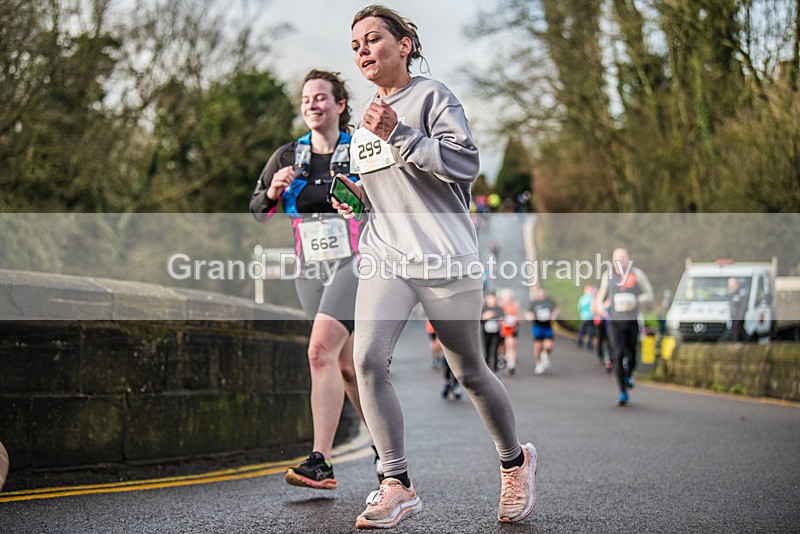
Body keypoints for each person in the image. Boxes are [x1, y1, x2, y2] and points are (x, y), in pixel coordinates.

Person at [335, 5, 537, 528]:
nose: (362, 50)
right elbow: (390, 195)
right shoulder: (364, 122)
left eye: (373, 39)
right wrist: (359, 201)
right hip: (386, 255)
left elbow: (465, 165)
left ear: (403, 45)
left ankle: (515, 462)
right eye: (355, 43)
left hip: (444, 255)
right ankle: (396, 482)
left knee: (468, 370)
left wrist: (400, 133)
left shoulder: (433, 97)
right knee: (367, 361)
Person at [249, 69, 380, 489]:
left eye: (321, 98)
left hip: (355, 263)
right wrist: (272, 192)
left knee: (319, 351)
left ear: (340, 105)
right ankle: (386, 445)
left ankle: (320, 461)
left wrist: (361, 198)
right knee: (345, 365)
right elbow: (256, 210)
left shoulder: (361, 148)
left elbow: (391, 200)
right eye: (306, 99)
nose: (312, 105)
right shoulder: (287, 156)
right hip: (309, 271)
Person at [595, 248, 654, 406]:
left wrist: (636, 301)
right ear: (613, 260)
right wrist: (601, 308)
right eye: (617, 258)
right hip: (615, 322)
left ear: (628, 259)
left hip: (632, 321)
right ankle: (622, 392)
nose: (620, 260)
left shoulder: (637, 274)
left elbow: (649, 294)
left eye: (623, 257)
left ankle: (629, 374)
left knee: (632, 354)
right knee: (618, 354)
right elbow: (601, 296)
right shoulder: (608, 276)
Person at [525, 287, 560, 375]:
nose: (541, 294)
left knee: (549, 345)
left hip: (547, 326)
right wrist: (529, 317)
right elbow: (528, 312)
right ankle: (538, 363)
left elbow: (556, 308)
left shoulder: (549, 301)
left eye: (542, 292)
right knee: (538, 346)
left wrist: (553, 315)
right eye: (539, 293)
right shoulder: (534, 303)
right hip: (538, 326)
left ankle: (545, 354)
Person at [498, 288, 521, 375]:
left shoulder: (515, 304)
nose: (508, 298)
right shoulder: (500, 305)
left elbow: (519, 317)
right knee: (501, 346)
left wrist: (516, 319)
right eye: (507, 297)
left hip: (512, 329)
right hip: (502, 329)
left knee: (511, 345)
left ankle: (511, 365)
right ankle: (501, 358)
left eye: (510, 296)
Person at [481, 291, 505, 372]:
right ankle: (486, 370)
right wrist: (485, 316)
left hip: (496, 333)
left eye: (493, 298)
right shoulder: (484, 308)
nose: (491, 300)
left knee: (495, 350)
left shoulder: (499, 309)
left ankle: (495, 370)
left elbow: (503, 319)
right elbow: (479, 320)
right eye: (489, 298)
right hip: (486, 333)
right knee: (487, 351)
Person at [727, 277, 748, 342]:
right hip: (733, 320)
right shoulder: (730, 295)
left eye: (733, 286)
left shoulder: (743, 295)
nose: (731, 288)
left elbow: (742, 310)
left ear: (738, 285)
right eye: (730, 286)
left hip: (738, 320)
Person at [576, 284, 595, 349]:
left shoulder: (583, 297)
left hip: (585, 317)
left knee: (583, 330)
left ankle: (579, 342)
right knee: (590, 331)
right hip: (590, 317)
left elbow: (579, 308)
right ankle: (588, 343)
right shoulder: (593, 297)